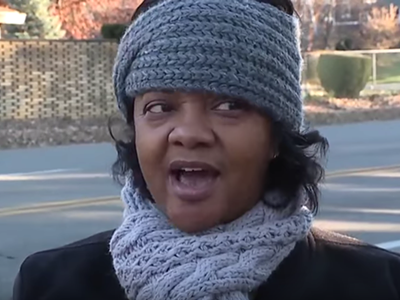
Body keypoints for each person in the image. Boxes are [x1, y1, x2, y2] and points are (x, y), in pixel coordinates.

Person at [12, 0, 400, 299]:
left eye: (229, 105)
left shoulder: (377, 284)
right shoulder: (51, 283)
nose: (189, 134)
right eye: (160, 107)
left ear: (276, 137)